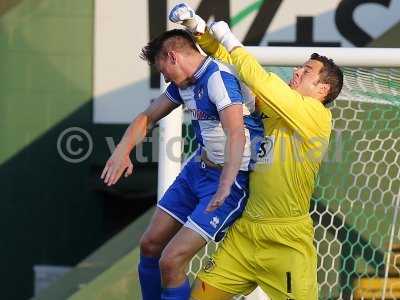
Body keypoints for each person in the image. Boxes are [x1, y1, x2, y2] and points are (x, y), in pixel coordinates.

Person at [169, 4, 343, 300]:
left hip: (287, 242)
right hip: (246, 233)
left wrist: (230, 39)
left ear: (322, 90)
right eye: (301, 66)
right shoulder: (274, 109)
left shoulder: (317, 116)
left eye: (308, 71)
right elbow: (238, 71)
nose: (298, 71)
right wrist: (199, 31)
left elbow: (259, 77)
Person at [101, 29, 263, 300]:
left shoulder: (218, 79)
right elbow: (147, 117)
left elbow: (236, 133)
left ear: (173, 57)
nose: (164, 77)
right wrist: (122, 150)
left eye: (163, 69)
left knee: (171, 261)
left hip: (229, 182)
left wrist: (225, 183)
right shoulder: (183, 84)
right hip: (197, 169)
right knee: (150, 246)